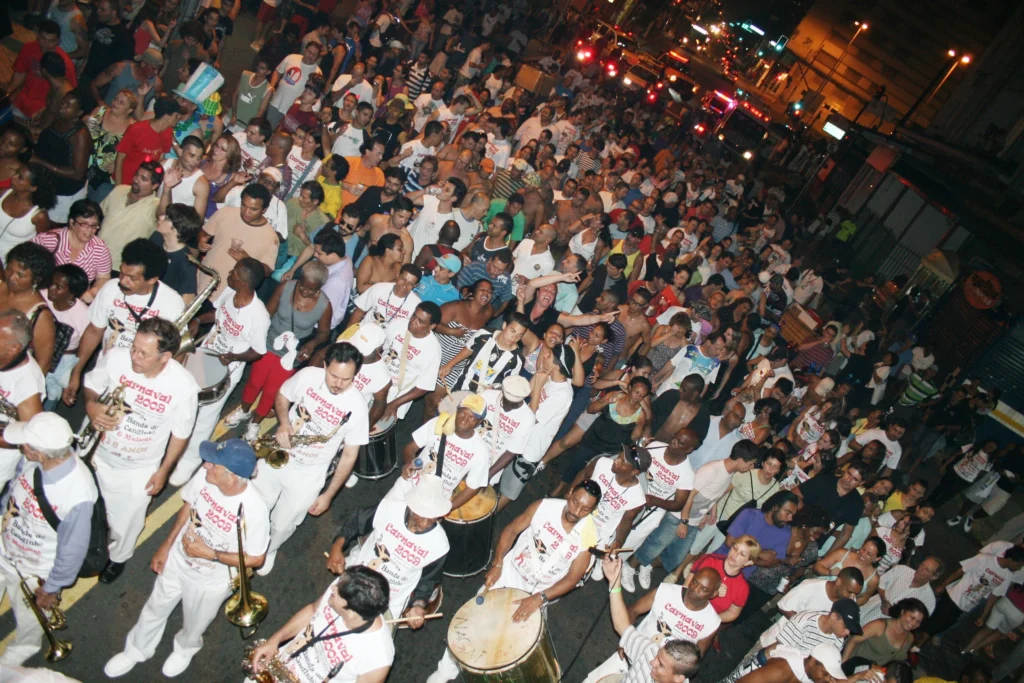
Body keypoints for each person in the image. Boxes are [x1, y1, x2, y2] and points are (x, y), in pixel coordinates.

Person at [103, 438, 270, 678]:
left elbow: (256, 558)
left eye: (214, 465)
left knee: (195, 622)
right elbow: (189, 506)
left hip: (210, 580)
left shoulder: (254, 510)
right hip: (178, 561)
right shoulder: (205, 478)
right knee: (155, 605)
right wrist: (166, 546)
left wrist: (211, 554)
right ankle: (137, 649)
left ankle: (185, 649)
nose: (205, 466)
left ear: (232, 477)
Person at [425, 482, 601, 683]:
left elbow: (573, 578)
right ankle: (446, 670)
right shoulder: (544, 506)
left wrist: (540, 598)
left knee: (514, 646)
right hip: (509, 574)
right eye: (575, 502)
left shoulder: (589, 537)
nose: (576, 511)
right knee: (471, 623)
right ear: (569, 493)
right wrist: (498, 564)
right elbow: (511, 530)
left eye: (585, 509)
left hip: (539, 594)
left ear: (592, 510)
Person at [82, 318, 199, 584]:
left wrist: (163, 471)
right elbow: (92, 384)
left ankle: (119, 557)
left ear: (165, 356)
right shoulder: (116, 357)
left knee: (127, 521)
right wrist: (91, 406)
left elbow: (180, 434)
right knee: (88, 507)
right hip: (98, 453)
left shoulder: (183, 386)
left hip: (139, 466)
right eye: (134, 347)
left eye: (143, 354)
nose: (134, 356)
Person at [253, 343, 369, 576]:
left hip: (308, 473)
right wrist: (284, 422)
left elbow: (349, 455)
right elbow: (283, 396)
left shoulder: (357, 407)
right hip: (278, 453)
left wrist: (328, 494)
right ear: (324, 365)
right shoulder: (307, 376)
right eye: (333, 375)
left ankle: (270, 549)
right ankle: (250, 546)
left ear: (355, 375)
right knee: (256, 505)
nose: (338, 384)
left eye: (346, 379)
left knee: (284, 523)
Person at [0, 413, 97, 666]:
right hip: (7, 545)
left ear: (39, 453)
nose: (20, 446)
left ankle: (24, 648)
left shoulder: (78, 494)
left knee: (29, 616)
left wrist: (52, 588)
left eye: (24, 444)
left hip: (34, 568)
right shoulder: (39, 462)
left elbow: (72, 550)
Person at [168, 259, 270, 487]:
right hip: (206, 352)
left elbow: (258, 351)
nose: (229, 274)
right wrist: (197, 320)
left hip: (227, 368)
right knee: (184, 397)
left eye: (233, 273)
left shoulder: (259, 316)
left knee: (205, 416)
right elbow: (217, 314)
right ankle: (173, 442)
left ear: (243, 282)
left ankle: (190, 459)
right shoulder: (230, 292)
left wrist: (234, 357)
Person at [62, 238, 185, 406]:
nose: (122, 281)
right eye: (121, 273)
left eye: (132, 278)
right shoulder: (111, 289)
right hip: (106, 372)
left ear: (152, 279)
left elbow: (177, 353)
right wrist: (75, 372)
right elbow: (94, 331)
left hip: (141, 382)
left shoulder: (172, 303)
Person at [222, 262, 332, 434]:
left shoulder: (324, 306)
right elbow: (267, 314)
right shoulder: (285, 288)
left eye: (311, 290)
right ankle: (243, 411)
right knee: (255, 381)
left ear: (320, 287)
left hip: (291, 354)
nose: (304, 292)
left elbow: (324, 333)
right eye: (302, 286)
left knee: (272, 391)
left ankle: (255, 423)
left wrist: (311, 345)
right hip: (269, 343)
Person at [327, 474, 450, 627]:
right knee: (327, 619)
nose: (425, 524)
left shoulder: (439, 544)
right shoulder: (390, 508)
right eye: (420, 516)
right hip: (358, 576)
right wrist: (337, 547)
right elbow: (357, 522)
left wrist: (418, 605)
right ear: (411, 506)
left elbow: (428, 581)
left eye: (432, 518)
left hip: (391, 597)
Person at [630, 440, 761, 584]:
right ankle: (630, 567)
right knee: (656, 544)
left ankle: (647, 564)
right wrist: (683, 521)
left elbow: (711, 495)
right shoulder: (712, 470)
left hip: (694, 518)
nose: (751, 467)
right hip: (680, 516)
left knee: (677, 556)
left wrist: (709, 511)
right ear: (741, 460)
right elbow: (689, 495)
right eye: (750, 464)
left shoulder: (729, 473)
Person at [247, 566, 393, 682]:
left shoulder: (378, 657)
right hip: (279, 664)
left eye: (337, 592)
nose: (333, 588)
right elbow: (312, 610)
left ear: (350, 613)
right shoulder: (342, 587)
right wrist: (275, 639)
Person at [586, 555, 703, 683]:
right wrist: (614, 581)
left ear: (678, 678)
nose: (652, 662)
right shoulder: (651, 652)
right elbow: (622, 625)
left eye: (660, 664)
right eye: (657, 656)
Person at [393, 393, 490, 511]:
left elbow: (473, 487)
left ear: (479, 422)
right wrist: (409, 463)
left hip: (436, 498)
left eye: (471, 417)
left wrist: (448, 508)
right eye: (463, 413)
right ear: (457, 411)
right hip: (411, 482)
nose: (464, 420)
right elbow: (410, 448)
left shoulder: (480, 451)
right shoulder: (438, 423)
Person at [917, 546, 1024, 648]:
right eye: (1018, 565)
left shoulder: (1007, 576)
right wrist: (942, 585)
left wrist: (983, 616)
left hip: (966, 606)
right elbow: (960, 571)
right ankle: (916, 647)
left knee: (941, 626)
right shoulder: (985, 559)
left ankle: (915, 643)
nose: (1018, 569)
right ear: (1011, 559)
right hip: (953, 596)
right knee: (933, 624)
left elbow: (993, 596)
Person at [198, 184, 281, 300]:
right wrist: (201, 242)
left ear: (264, 210)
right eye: (244, 205)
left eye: (253, 209)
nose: (246, 212)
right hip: (201, 281)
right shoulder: (225, 213)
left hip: (225, 297)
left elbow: (266, 272)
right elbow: (204, 233)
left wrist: (247, 260)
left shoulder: (270, 238)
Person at [375, 301, 443, 424]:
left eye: (420, 321)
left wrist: (394, 404)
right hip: (376, 379)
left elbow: (424, 387)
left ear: (431, 326)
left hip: (397, 393)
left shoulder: (432, 350)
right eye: (414, 316)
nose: (413, 321)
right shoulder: (398, 324)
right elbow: (379, 348)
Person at [31, 197, 111, 300]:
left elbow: (103, 278)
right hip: (44, 297)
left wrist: (92, 292)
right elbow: (27, 260)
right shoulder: (49, 240)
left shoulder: (100, 249)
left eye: (94, 226)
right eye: (84, 224)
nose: (89, 231)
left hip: (75, 302)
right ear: (72, 222)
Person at [30, 91, 89, 222]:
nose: (62, 106)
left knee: (51, 225)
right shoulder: (60, 119)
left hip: (64, 192)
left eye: (68, 105)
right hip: (48, 183)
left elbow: (77, 173)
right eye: (63, 102)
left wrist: (39, 161)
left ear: (78, 113)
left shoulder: (80, 135)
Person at [0, 242, 58, 374]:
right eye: (9, 269)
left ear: (36, 279)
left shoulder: (40, 316)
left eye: (20, 275)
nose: (11, 277)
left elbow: (44, 363)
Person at [100, 160, 162, 271]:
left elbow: (163, 213)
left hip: (119, 268)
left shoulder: (154, 205)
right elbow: (99, 214)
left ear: (155, 186)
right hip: (95, 257)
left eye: (143, 179)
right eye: (137, 174)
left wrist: (167, 189)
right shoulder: (119, 190)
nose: (136, 180)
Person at [841, 598, 926, 673]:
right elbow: (853, 640)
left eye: (918, 622)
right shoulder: (880, 625)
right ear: (902, 612)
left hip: (870, 675)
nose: (913, 623)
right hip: (851, 665)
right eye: (912, 617)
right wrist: (843, 667)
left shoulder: (909, 639)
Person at [114, 96, 180, 188]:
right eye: (176, 115)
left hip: (144, 188)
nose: (179, 118)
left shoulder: (168, 132)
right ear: (166, 117)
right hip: (126, 183)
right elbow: (119, 158)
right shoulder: (136, 129)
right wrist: (118, 187)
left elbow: (160, 158)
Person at [0, 163, 54, 262]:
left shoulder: (39, 216)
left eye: (20, 177)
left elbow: (41, 247)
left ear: (32, 188)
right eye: (16, 173)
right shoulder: (3, 192)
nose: (13, 177)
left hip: (11, 262)